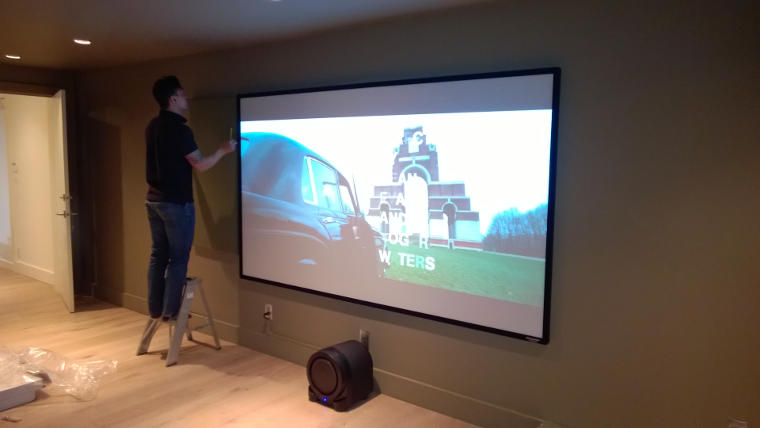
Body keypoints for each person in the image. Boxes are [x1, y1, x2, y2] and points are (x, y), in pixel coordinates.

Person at [145, 75, 237, 320]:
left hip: (153, 200)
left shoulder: (152, 126)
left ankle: (155, 309)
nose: (186, 97)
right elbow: (201, 164)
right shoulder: (180, 130)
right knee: (178, 259)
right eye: (182, 94)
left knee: (158, 255)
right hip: (176, 204)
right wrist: (224, 150)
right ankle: (170, 311)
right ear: (172, 99)